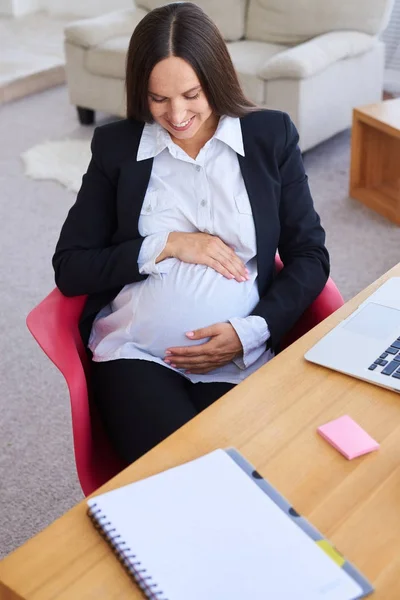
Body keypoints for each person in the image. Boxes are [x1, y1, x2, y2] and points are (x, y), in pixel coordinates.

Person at [53, 2, 330, 465]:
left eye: (191, 95)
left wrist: (250, 332)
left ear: (216, 80)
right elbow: (71, 267)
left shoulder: (269, 137)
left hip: (240, 358)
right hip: (136, 352)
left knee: (265, 470)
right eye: (157, 99)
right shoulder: (117, 148)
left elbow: (309, 255)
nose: (176, 115)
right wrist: (168, 244)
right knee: (177, 476)